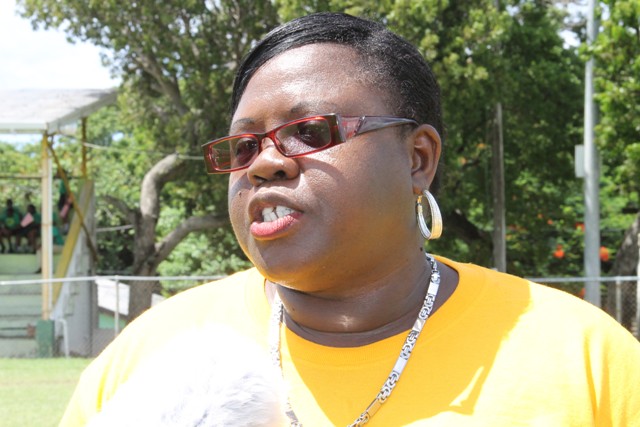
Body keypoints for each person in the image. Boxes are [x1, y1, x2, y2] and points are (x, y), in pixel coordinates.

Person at [61, 12, 640, 426]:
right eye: (242, 146)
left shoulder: (588, 361)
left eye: (309, 133)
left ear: (418, 160)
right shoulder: (152, 359)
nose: (264, 163)